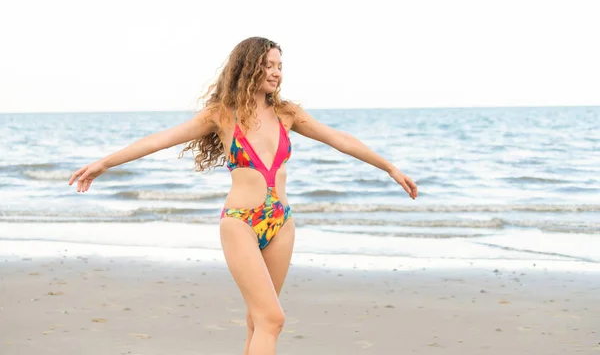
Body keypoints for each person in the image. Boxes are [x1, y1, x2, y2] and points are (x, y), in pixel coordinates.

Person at [68, 36, 418, 355]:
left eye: (280, 66)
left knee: (259, 320)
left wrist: (389, 168)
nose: (276, 73)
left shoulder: (287, 113)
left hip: (281, 224)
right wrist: (104, 163)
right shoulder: (221, 115)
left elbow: (340, 139)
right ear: (249, 67)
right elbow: (159, 139)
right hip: (240, 224)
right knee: (273, 318)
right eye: (268, 65)